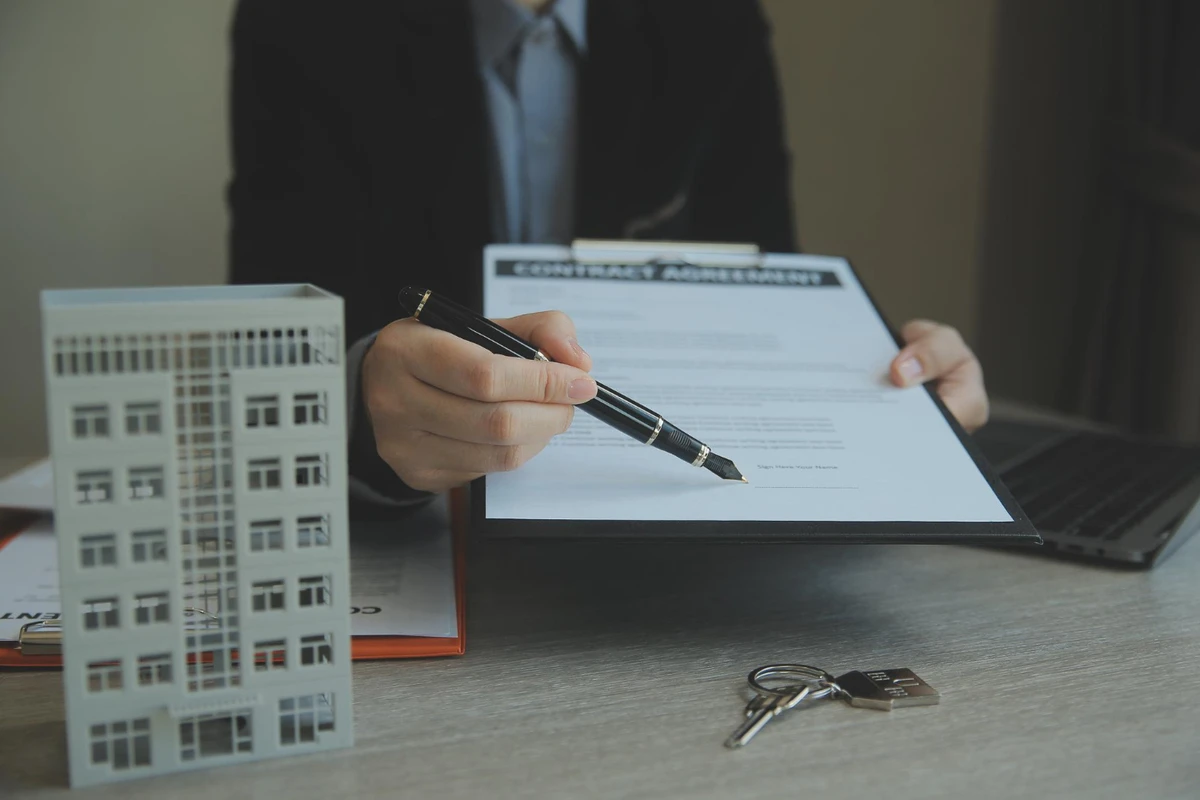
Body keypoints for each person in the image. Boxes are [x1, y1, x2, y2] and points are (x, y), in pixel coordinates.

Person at [227, 0, 988, 504]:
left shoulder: (714, 22)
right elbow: (276, 339)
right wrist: (359, 401)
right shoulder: (305, 22)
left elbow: (764, 278)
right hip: (429, 528)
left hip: (668, 550)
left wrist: (880, 389)